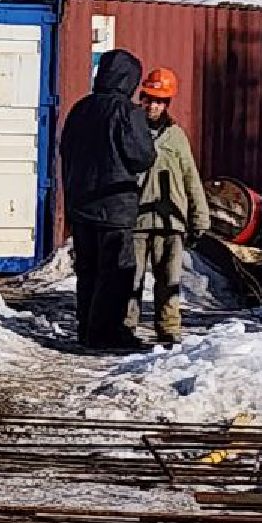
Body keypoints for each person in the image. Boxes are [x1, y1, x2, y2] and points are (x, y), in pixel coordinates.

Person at [58, 50, 158, 349]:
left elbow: (66, 151)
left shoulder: (81, 108)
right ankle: (108, 333)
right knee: (115, 272)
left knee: (87, 272)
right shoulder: (127, 112)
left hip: (81, 204)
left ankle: (87, 328)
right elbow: (142, 157)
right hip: (114, 206)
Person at [133, 67, 210, 345]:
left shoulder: (176, 137)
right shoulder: (133, 131)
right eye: (148, 99)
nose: (152, 105)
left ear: (167, 104)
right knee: (132, 279)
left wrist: (200, 217)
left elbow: (191, 176)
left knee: (168, 279)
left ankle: (168, 329)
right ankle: (127, 326)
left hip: (170, 221)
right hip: (138, 221)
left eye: (159, 101)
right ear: (141, 98)